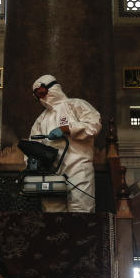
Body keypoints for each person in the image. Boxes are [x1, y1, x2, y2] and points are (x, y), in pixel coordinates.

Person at [29, 75, 101, 213]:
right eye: (38, 96)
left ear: (52, 87)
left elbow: (94, 125)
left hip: (78, 167)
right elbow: (33, 144)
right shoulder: (41, 119)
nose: (41, 98)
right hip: (51, 170)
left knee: (81, 211)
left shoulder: (75, 105)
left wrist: (67, 128)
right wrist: (33, 165)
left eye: (43, 93)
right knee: (52, 213)